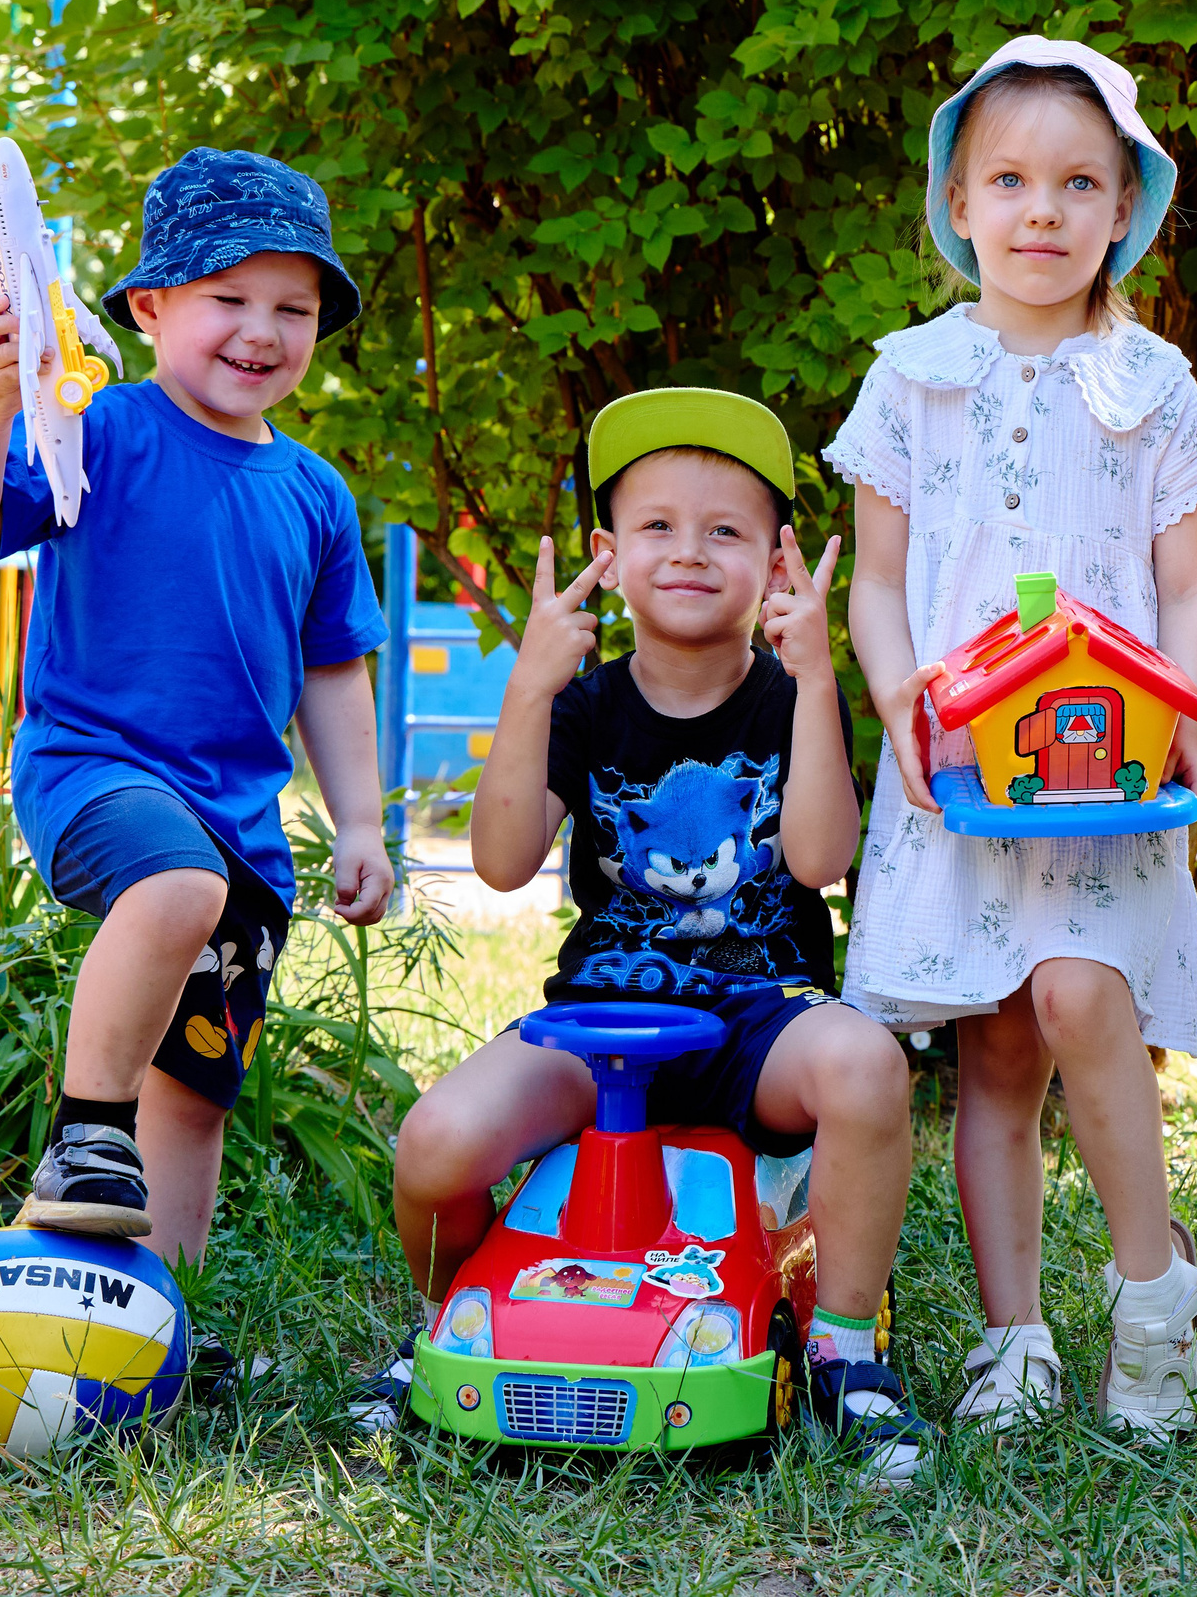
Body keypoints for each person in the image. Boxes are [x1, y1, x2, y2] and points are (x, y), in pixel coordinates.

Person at [353, 388, 928, 1483]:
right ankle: (441, 1325)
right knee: (433, 1143)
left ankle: (846, 1352)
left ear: (776, 559)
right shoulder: (581, 707)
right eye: (658, 525)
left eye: (726, 531)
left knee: (866, 1065)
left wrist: (817, 678)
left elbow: (819, 859)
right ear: (608, 557)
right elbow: (501, 860)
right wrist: (531, 686)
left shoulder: (790, 698)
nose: (691, 551)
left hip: (761, 1022)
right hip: (601, 1026)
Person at [829, 36, 1197, 1441]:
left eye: (1077, 183)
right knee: (996, 1056)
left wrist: (1184, 715)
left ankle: (1152, 1292)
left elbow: (1193, 583)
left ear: (1125, 205)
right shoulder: (910, 378)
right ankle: (1014, 1339)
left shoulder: (1153, 385)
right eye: (1007, 181)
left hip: (1102, 773)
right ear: (958, 202)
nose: (1041, 211)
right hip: (958, 771)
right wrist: (898, 694)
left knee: (1076, 996)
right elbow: (879, 578)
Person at [0, 150, 393, 1340]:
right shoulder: (105, 427)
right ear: (148, 308)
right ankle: (87, 1131)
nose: (261, 331)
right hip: (97, 771)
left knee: (193, 1094)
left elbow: (334, 670)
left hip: (244, 830)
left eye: (293, 309)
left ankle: (152, 1321)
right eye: (228, 298)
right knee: (176, 884)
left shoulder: (316, 495)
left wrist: (363, 822)